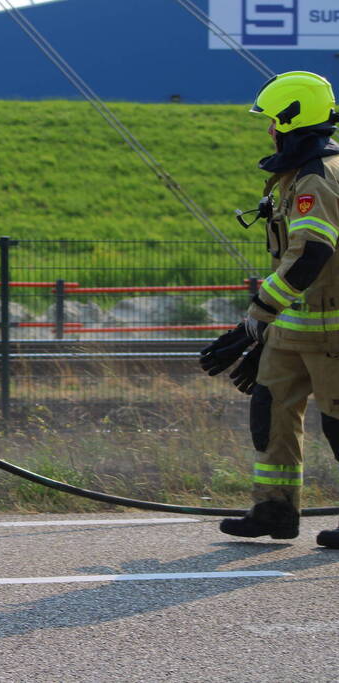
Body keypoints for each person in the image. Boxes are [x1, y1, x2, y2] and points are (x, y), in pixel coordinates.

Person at [205, 71, 339, 545]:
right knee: (271, 411)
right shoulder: (297, 176)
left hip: (332, 333)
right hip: (295, 329)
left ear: (293, 121)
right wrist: (266, 333)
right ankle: (274, 511)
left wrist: (254, 321)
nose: (269, 130)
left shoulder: (317, 179)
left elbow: (311, 254)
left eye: (274, 121)